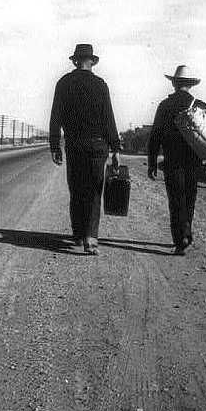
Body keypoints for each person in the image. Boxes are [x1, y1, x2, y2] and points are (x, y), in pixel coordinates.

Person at [49, 44, 120, 255]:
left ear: (75, 61)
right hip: (98, 145)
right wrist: (115, 146)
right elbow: (109, 117)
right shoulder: (100, 85)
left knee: (77, 188)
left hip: (75, 144)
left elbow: (56, 116)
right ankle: (91, 237)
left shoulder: (63, 83)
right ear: (92, 62)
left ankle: (78, 234)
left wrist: (55, 145)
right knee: (94, 191)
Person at [147, 65, 206, 256]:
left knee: (175, 200)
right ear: (191, 85)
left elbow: (155, 136)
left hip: (172, 161)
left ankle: (180, 240)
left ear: (173, 83)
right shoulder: (199, 105)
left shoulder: (165, 106)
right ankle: (186, 231)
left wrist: (152, 162)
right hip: (194, 162)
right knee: (189, 198)